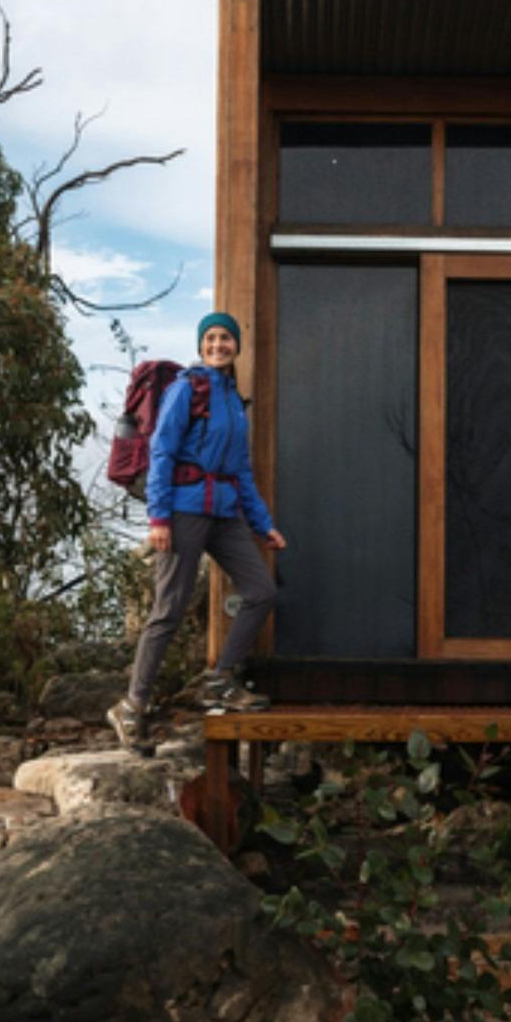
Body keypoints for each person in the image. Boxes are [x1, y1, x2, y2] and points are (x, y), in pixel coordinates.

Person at [109, 312, 284, 754]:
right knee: (168, 610)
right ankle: (132, 706)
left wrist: (263, 525)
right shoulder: (187, 389)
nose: (219, 345)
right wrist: (159, 519)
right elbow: (163, 451)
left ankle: (220, 681)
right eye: (211, 338)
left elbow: (241, 471)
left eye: (226, 338)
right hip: (184, 511)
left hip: (225, 515)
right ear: (201, 345)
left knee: (261, 590)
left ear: (236, 346)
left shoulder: (231, 399)